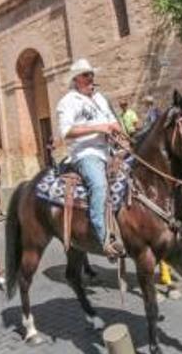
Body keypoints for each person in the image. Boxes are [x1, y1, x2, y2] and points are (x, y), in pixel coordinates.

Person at [55, 58, 124, 259]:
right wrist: (98, 128)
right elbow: (65, 131)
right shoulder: (68, 101)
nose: (91, 78)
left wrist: (117, 130)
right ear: (76, 79)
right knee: (99, 186)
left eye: (92, 74)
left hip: (109, 151)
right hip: (86, 154)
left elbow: (112, 122)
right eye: (86, 75)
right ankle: (102, 237)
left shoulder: (100, 99)